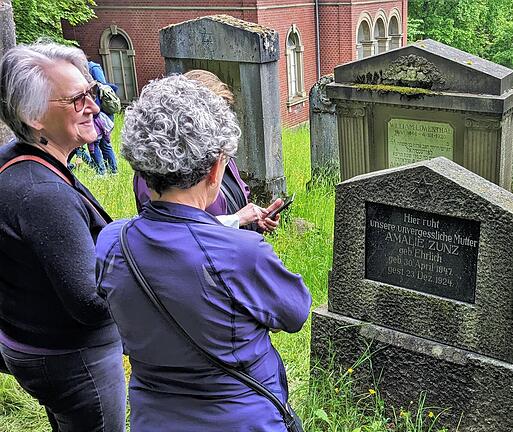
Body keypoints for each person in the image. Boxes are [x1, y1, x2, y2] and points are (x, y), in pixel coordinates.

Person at [95, 75, 312, 432]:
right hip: (240, 419)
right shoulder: (243, 254)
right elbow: (296, 312)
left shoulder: (111, 242)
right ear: (215, 169)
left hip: (154, 418)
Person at [0, 42, 125, 431]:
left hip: (30, 342)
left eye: (91, 93)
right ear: (32, 115)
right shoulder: (43, 195)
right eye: (76, 100)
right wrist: (160, 277)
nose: (93, 107)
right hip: (72, 358)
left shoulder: (14, 159)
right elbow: (90, 301)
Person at [132, 69, 278, 232]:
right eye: (212, 114)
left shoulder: (220, 151)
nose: (220, 121)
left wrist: (254, 221)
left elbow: (236, 198)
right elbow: (165, 230)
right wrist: (236, 219)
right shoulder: (158, 166)